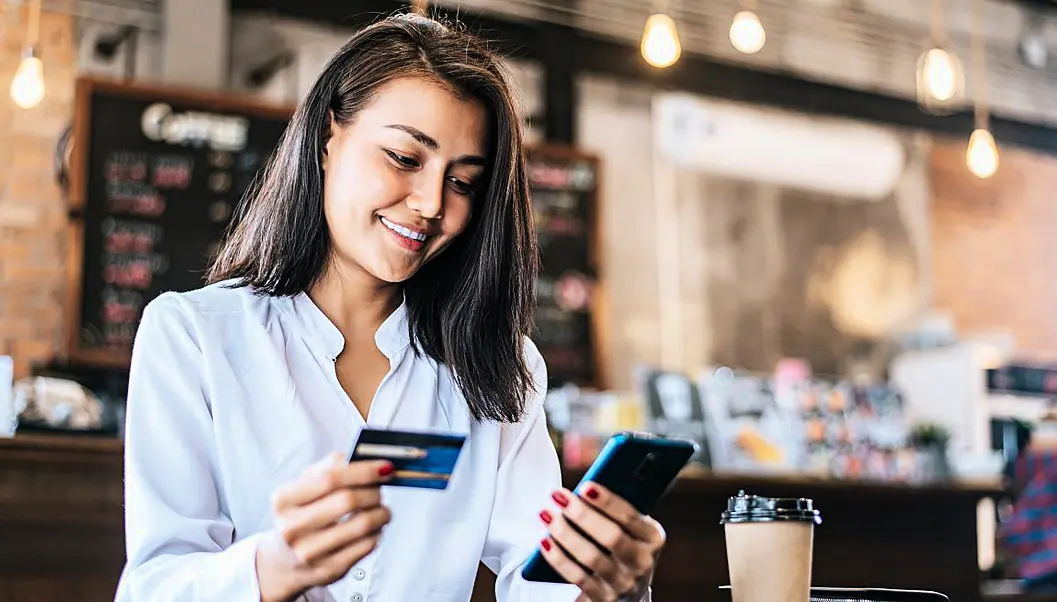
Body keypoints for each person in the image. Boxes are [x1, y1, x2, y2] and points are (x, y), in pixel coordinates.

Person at [114, 13, 665, 602]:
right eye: (404, 158)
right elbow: (153, 587)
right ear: (329, 138)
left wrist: (608, 584)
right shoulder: (194, 336)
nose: (430, 204)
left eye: (463, 183)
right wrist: (275, 565)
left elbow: (537, 585)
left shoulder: (499, 369)